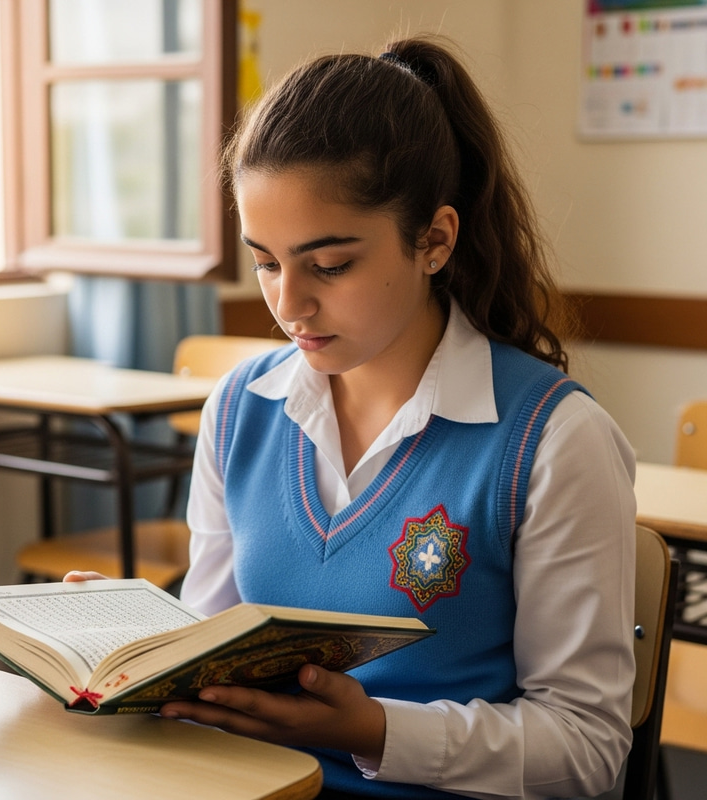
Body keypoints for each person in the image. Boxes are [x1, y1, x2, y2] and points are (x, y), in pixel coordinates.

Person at [68, 35, 636, 799]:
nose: (289, 304)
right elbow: (212, 656)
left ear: (433, 240)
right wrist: (110, 654)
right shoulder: (240, 409)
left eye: (329, 266)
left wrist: (373, 732)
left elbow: (588, 751)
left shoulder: (553, 441)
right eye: (266, 262)